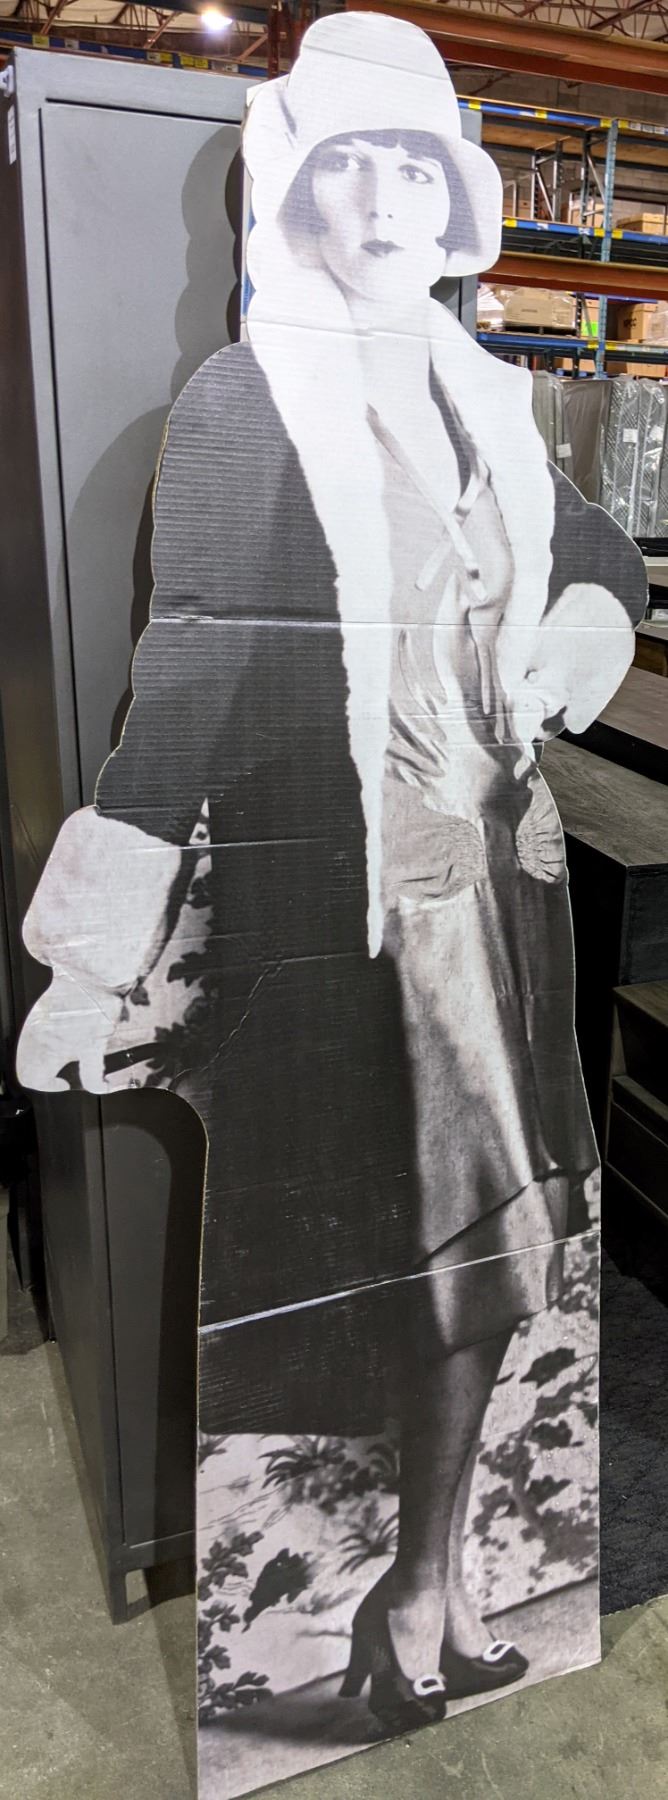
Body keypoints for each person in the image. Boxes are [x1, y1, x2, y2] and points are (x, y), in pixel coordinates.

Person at [19, 11, 646, 1741]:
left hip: (498, 890)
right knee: (433, 1258)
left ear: (453, 203)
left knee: (494, 1257)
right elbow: (195, 667)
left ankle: (421, 1592)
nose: (381, 202)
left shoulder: (486, 394)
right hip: (363, 901)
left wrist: (577, 630)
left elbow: (594, 553)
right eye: (351, 165)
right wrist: (92, 949)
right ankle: (409, 1595)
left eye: (413, 171)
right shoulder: (247, 398)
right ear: (300, 192)